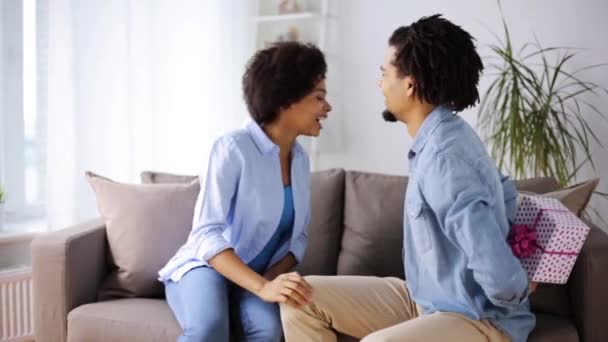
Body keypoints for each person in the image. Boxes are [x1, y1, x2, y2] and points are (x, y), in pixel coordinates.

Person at [280, 14, 535, 342]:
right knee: (300, 298)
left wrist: (516, 288)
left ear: (410, 83)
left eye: (384, 74)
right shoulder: (440, 140)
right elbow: (505, 192)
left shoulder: (444, 155)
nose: (380, 83)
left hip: (477, 318)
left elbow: (484, 245)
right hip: (428, 302)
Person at [158, 41, 332, 342]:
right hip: (205, 267)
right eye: (319, 98)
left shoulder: (301, 160)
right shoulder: (231, 148)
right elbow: (206, 234)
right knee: (211, 327)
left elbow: (298, 237)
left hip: (257, 275)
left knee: (271, 330)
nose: (327, 108)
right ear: (286, 100)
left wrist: (270, 280)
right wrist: (261, 287)